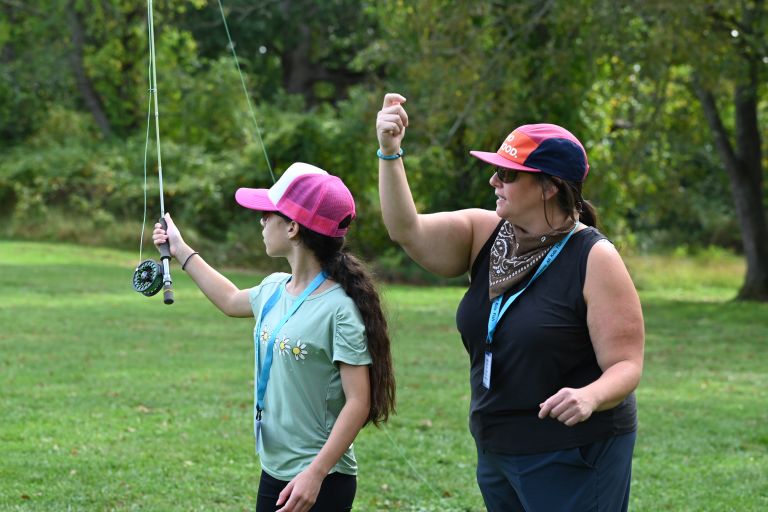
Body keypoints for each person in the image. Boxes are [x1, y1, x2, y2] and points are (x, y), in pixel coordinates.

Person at [375, 93, 644, 511]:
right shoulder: (483, 232)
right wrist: (390, 153)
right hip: (498, 445)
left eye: (507, 174)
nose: (493, 182)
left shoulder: (594, 257)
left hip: (573, 449)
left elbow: (626, 364)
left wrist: (590, 396)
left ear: (550, 187)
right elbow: (406, 229)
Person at [152, 162, 396, 512]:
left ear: (293, 227)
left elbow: (359, 402)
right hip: (275, 469)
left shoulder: (339, 309)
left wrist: (315, 474)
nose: (261, 221)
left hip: (322, 478)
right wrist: (180, 249)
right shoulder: (274, 288)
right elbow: (230, 300)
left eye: (268, 213)